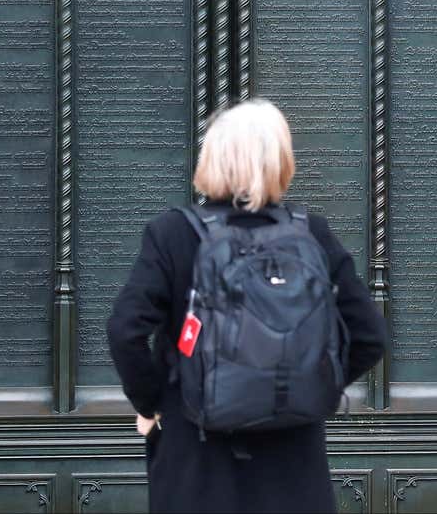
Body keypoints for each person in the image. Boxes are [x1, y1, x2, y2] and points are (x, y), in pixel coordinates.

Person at [107, 99, 388, 514]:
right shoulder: (311, 232)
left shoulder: (172, 233)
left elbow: (125, 331)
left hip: (197, 452)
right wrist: (309, 381)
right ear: (281, 161)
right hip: (294, 455)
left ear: (211, 158)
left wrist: (153, 405)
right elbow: (370, 334)